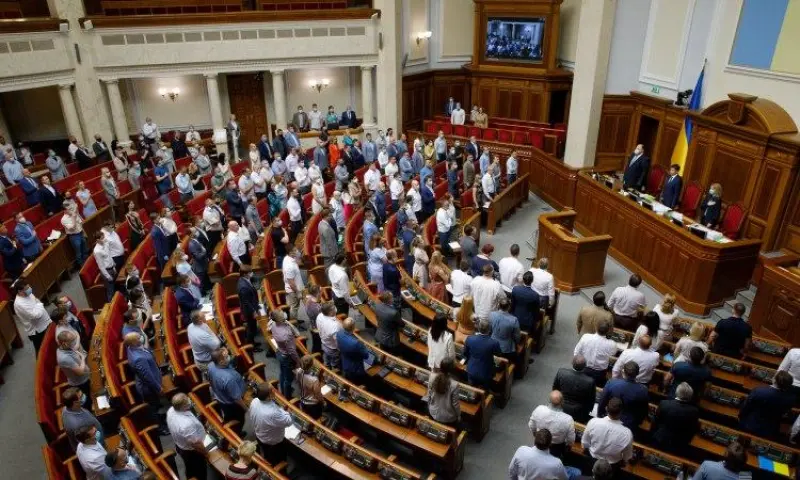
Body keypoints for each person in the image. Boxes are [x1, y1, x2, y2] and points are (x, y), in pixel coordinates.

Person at [124, 332, 167, 434]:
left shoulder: (131, 348)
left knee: (155, 405)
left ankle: (159, 419)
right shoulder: (138, 358)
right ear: (133, 342)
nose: (141, 338)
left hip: (150, 384)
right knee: (153, 408)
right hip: (148, 388)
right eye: (139, 338)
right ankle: (159, 428)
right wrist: (158, 388)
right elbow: (148, 377)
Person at [739, 370, 794, 439]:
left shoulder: (759, 391)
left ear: (774, 380)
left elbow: (746, 406)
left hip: (750, 424)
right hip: (770, 430)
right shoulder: (789, 399)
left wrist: (741, 416)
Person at [582, 397, 633, 469]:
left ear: (606, 408)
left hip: (592, 461)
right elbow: (627, 457)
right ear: (621, 412)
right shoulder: (627, 433)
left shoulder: (593, 422)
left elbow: (584, 443)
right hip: (612, 466)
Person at [166, 393, 208, 480]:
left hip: (180, 445)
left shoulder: (171, 410)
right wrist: (205, 453)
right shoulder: (186, 425)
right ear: (183, 407)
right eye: (187, 401)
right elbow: (196, 444)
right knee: (199, 472)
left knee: (189, 468)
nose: (189, 400)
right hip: (192, 452)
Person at [249, 382, 293, 465]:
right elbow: (288, 421)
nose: (274, 391)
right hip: (274, 443)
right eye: (272, 391)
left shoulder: (254, 401)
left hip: (260, 436)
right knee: (279, 461)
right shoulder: (272, 412)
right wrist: (288, 412)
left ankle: (269, 460)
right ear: (269, 396)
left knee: (267, 454)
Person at [650, 382, 700, 454]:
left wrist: (653, 434)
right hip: (679, 444)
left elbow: (655, 421)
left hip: (660, 438)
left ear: (676, 392)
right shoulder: (694, 411)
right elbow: (692, 429)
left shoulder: (664, 404)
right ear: (690, 396)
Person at [599, 361, 649, 431]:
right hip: (629, 424)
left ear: (623, 372)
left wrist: (600, 415)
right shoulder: (643, 390)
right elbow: (643, 411)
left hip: (610, 418)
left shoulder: (611, 383)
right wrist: (638, 422)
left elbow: (602, 401)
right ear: (637, 374)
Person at [208, 347, 247, 433]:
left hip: (221, 399)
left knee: (228, 417)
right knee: (239, 420)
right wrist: (245, 408)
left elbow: (210, 381)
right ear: (221, 362)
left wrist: (223, 352)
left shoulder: (210, 366)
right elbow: (237, 398)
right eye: (226, 357)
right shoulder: (228, 379)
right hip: (233, 404)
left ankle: (229, 426)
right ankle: (237, 433)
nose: (229, 357)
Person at [527, 391, 576, 459]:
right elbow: (571, 439)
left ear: (549, 400)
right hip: (557, 447)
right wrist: (567, 446)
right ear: (562, 402)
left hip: (539, 442)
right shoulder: (568, 419)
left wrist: (536, 435)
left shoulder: (539, 409)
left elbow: (532, 425)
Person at [552, 355, 596, 423]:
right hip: (578, 413)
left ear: (572, 362)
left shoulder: (561, 372)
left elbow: (555, 390)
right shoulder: (590, 381)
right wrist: (587, 412)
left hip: (559, 406)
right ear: (585, 366)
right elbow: (591, 400)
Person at [573, 320, 617, 388]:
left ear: (596, 328)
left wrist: (576, 367)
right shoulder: (612, 344)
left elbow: (576, 352)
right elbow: (613, 353)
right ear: (608, 331)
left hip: (583, 369)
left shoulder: (585, 337)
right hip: (599, 373)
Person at [14, 281, 52, 356]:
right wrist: (39, 305)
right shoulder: (19, 304)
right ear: (20, 291)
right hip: (37, 331)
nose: (29, 289)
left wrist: (37, 305)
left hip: (45, 323)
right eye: (26, 288)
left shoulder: (28, 294)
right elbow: (36, 315)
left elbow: (36, 300)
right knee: (41, 351)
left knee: (50, 345)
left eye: (29, 287)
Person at [57, 330, 92, 408]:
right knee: (86, 402)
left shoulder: (64, 347)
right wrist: (82, 358)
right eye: (72, 341)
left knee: (89, 397)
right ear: (64, 343)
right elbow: (80, 372)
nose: (74, 342)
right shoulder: (65, 358)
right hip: (80, 383)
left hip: (83, 379)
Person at [269, 310, 300, 397]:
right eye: (282, 314)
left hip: (279, 352)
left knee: (282, 373)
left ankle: (283, 390)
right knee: (288, 378)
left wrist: (286, 322)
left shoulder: (273, 324)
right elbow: (292, 351)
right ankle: (287, 396)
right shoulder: (286, 334)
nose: (284, 314)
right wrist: (298, 361)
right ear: (279, 319)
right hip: (287, 357)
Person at [464, 319, 501, 391]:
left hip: (471, 369)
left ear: (478, 328)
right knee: (485, 390)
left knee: (471, 390)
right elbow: (499, 354)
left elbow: (465, 353)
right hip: (486, 372)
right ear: (490, 330)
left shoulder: (470, 338)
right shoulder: (494, 343)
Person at [427, 357, 460, 427]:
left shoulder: (432, 377)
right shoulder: (454, 384)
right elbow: (455, 404)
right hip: (448, 418)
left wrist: (429, 407)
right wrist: (459, 415)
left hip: (433, 412)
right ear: (452, 370)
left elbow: (429, 395)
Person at [237, 266, 263, 352]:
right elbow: (246, 302)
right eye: (250, 272)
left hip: (252, 307)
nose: (252, 273)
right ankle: (251, 347)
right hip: (249, 311)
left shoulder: (245, 280)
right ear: (245, 274)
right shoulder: (243, 286)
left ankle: (253, 343)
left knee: (253, 327)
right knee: (251, 329)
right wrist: (254, 312)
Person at [336, 317, 369, 385]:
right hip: (355, 368)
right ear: (353, 327)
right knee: (357, 383)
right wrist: (364, 347)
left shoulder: (339, 333)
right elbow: (366, 356)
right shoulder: (356, 343)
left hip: (345, 362)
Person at [294, 354, 325, 419]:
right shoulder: (314, 380)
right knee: (315, 418)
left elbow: (298, 381)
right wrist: (323, 401)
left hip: (302, 400)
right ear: (311, 365)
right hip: (313, 404)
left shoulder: (298, 371)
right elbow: (317, 394)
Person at [316, 302, 342, 368]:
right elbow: (338, 341)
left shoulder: (319, 316)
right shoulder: (334, 326)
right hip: (333, 349)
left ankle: (327, 368)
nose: (335, 308)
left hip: (324, 344)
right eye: (333, 308)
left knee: (327, 360)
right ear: (330, 312)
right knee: (335, 364)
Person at [93, 232, 117, 301]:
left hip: (112, 268)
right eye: (102, 238)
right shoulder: (97, 251)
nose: (104, 239)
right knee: (110, 291)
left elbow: (109, 256)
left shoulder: (105, 244)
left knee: (115, 288)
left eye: (104, 237)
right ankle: (110, 305)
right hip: (107, 272)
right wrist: (108, 276)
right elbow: (101, 266)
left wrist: (114, 266)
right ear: (98, 240)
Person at [282, 246, 304, 321]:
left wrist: (298, 256)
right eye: (295, 250)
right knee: (294, 307)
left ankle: (295, 319)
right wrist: (298, 292)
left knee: (295, 306)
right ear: (290, 252)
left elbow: (299, 262)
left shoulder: (287, 258)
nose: (297, 251)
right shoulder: (289, 266)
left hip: (294, 287)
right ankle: (294, 323)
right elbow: (291, 282)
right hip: (293, 290)